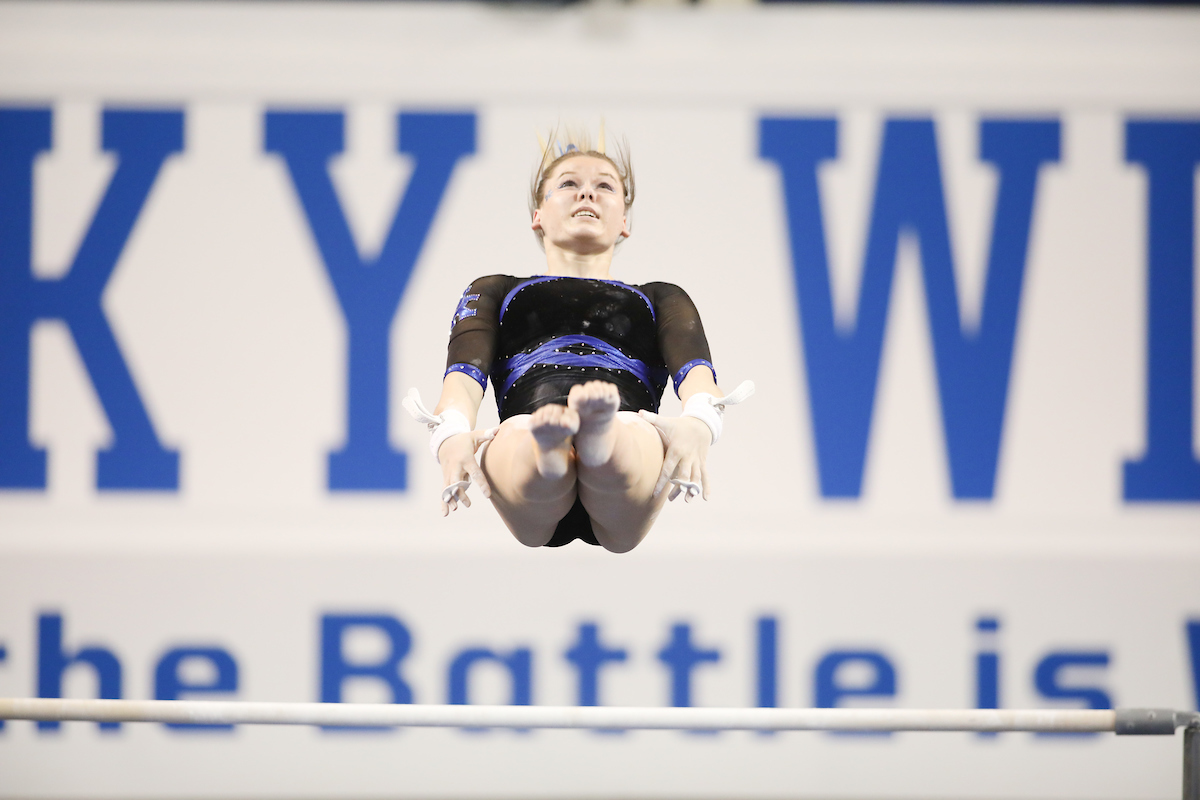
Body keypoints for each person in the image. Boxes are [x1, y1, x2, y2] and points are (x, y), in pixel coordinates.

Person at [405, 132, 750, 553]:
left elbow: (699, 380)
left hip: (627, 435)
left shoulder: (662, 298)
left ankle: (598, 441)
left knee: (631, 431)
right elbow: (461, 383)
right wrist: (452, 434)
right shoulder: (495, 290)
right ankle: (552, 455)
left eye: (605, 185)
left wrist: (699, 422)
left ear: (624, 220)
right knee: (516, 434)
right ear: (538, 214)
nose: (587, 191)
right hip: (530, 432)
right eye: (568, 183)